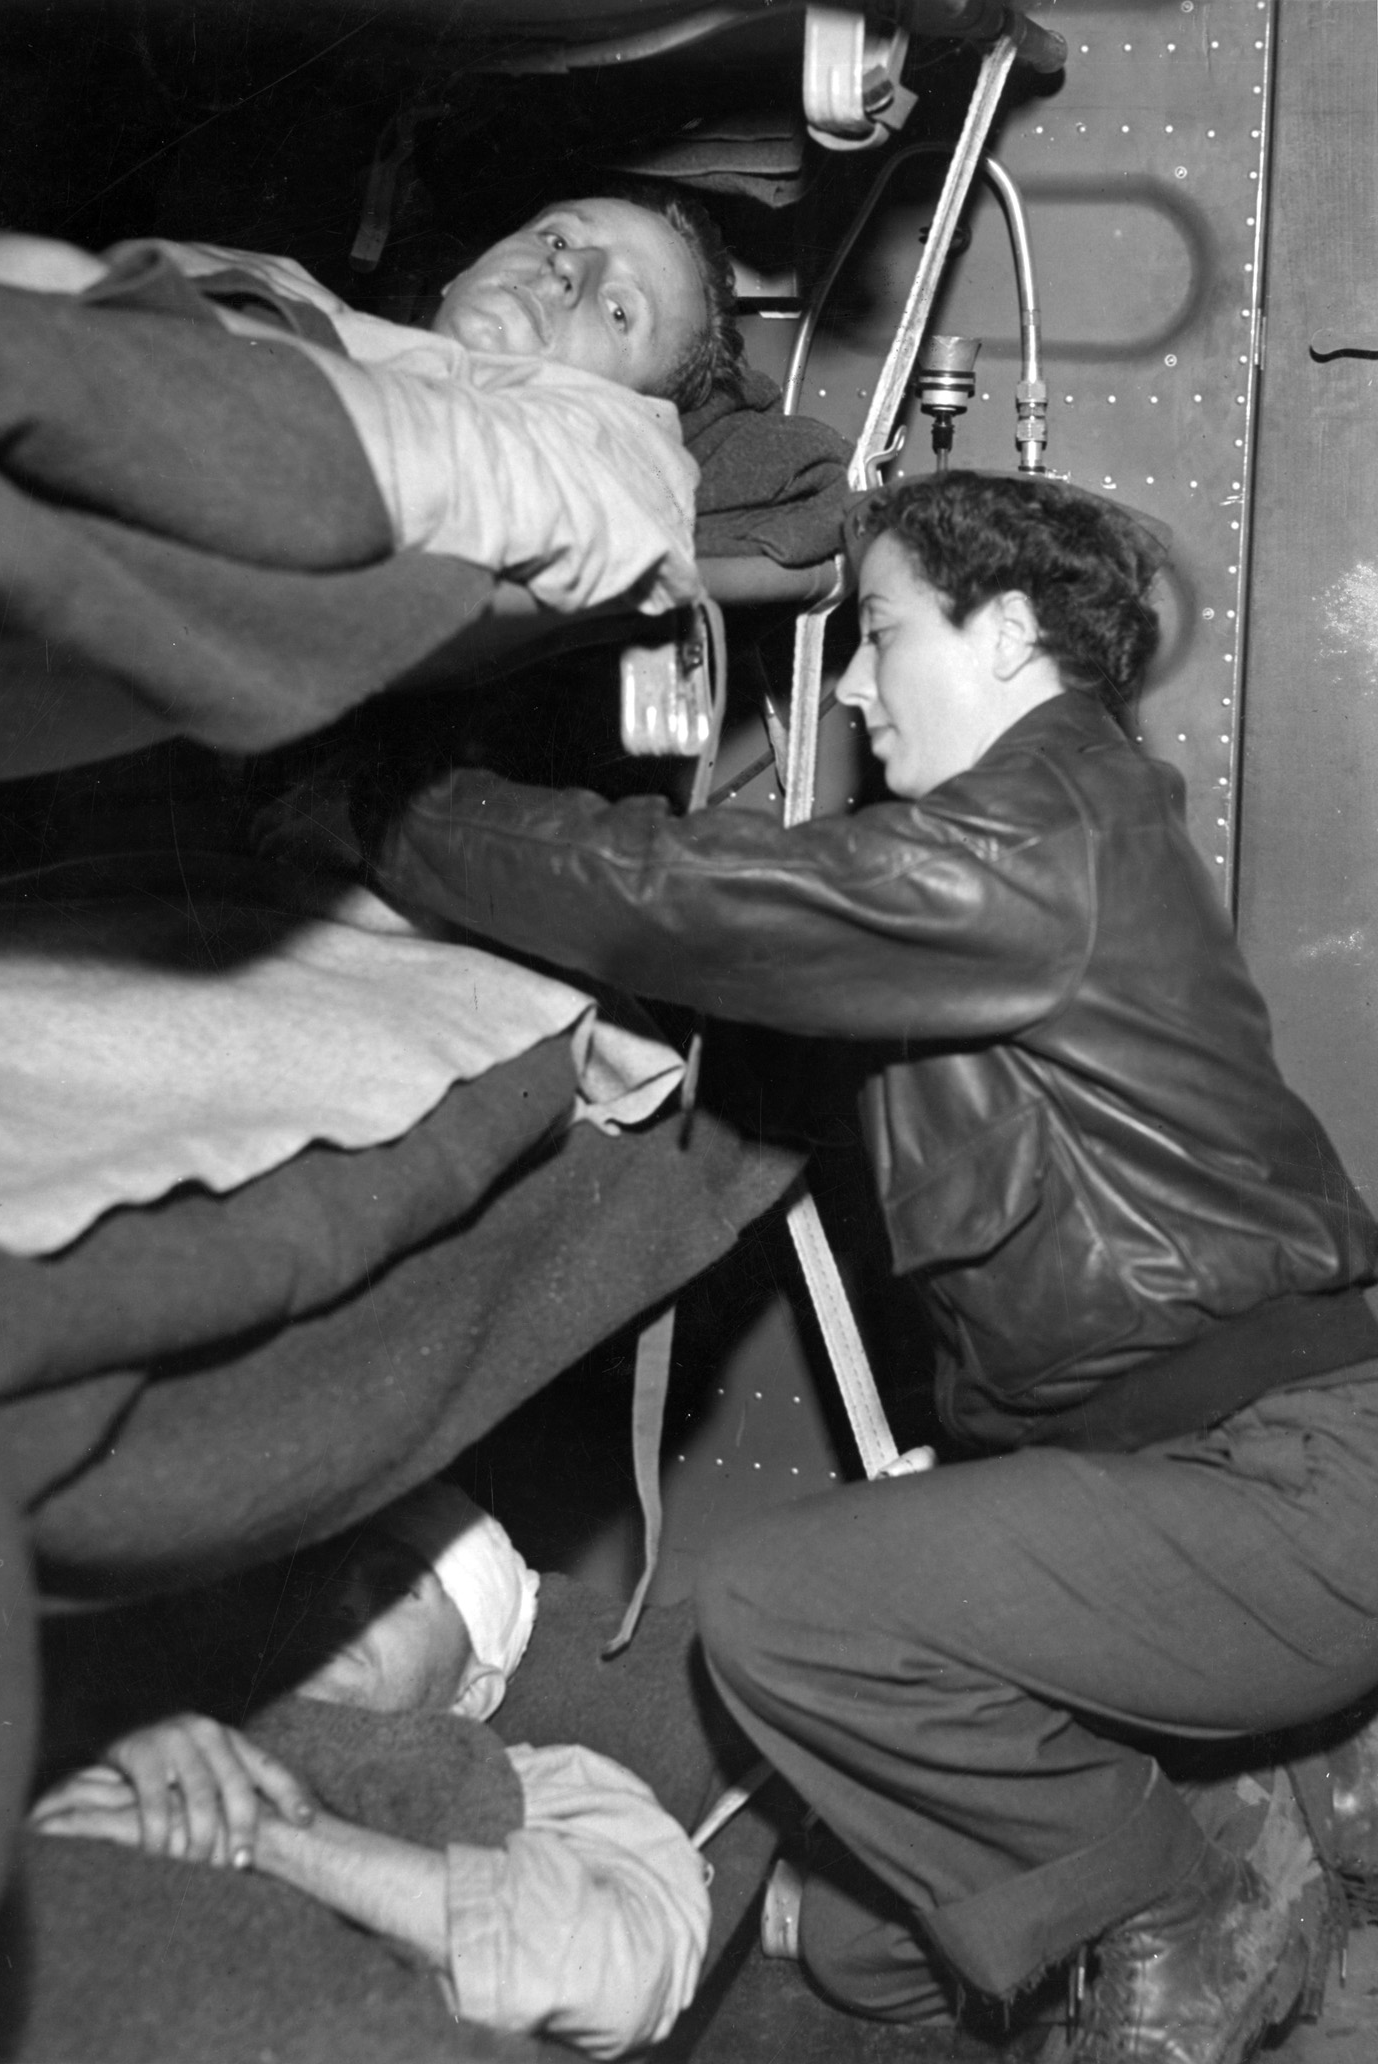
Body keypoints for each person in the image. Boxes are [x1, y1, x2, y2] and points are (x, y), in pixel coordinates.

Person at [324, 470, 1378, 2064]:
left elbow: (705, 897)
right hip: (1205, 1481)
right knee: (874, 1963)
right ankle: (1244, 1806)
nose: (860, 690)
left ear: (1012, 631)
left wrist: (396, 817)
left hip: (1286, 1487)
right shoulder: (1029, 867)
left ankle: (1190, 1894)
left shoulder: (1045, 826)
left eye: (883, 635)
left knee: (785, 1608)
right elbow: (813, 1017)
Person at [31, 1482, 711, 2059]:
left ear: (472, 1693)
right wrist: (104, 1729)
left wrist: (262, 1832)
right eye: (324, 1573)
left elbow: (618, 1969)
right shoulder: (154, 1711)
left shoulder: (545, 1784)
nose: (342, 1600)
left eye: (395, 1589)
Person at [0, 188, 745, 615]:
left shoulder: (606, 459)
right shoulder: (272, 273)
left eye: (618, 312)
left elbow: (632, 499)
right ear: (465, 270)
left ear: (637, 409)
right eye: (561, 237)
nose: (570, 269)